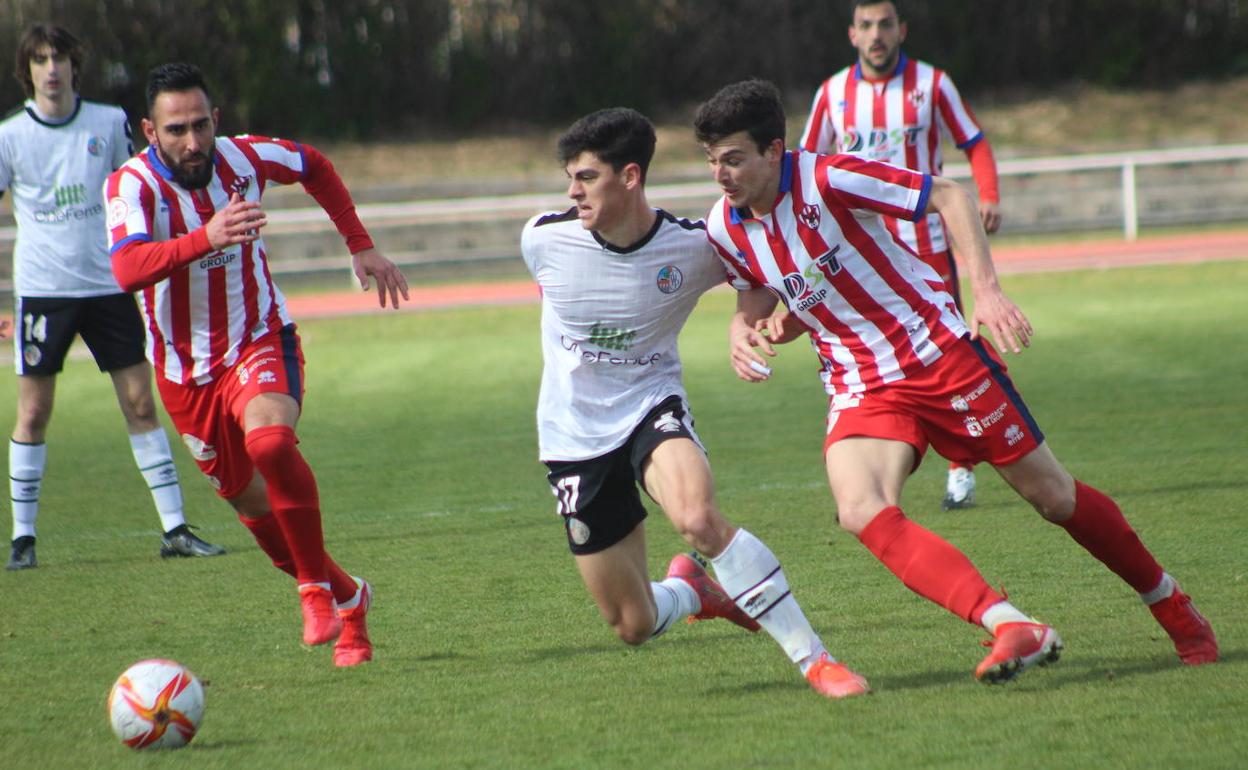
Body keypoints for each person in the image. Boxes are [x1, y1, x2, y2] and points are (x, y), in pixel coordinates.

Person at [692, 79, 1217, 683]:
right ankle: (1010, 624)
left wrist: (987, 291)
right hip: (860, 379)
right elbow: (756, 290)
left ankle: (1171, 604)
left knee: (1054, 498)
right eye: (712, 161)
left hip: (938, 354)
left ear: (774, 151)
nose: (720, 174)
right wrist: (745, 328)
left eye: (732, 159)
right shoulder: (725, 226)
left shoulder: (829, 178)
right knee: (860, 508)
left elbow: (949, 193)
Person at [520, 107, 869, 698]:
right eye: (570, 179)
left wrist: (743, 324)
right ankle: (692, 592)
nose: (571, 191)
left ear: (630, 177)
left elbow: (757, 277)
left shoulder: (694, 247)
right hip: (572, 435)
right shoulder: (543, 240)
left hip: (651, 405)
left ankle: (816, 661)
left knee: (698, 519)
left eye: (585, 177)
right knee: (632, 624)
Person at [104, 62, 409, 666]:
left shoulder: (244, 158)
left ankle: (314, 593)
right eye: (175, 130)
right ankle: (350, 598)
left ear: (216, 119)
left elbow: (314, 165)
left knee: (271, 443)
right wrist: (208, 237)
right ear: (149, 131)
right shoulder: (130, 187)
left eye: (200, 125)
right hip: (185, 375)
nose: (191, 142)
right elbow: (128, 268)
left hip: (258, 340)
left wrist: (360, 243)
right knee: (252, 507)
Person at [0, 24, 224, 570]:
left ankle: (174, 529)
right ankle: (23, 539)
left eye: (60, 58)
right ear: (27, 70)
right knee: (33, 411)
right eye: (40, 59)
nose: (51, 68)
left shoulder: (108, 123)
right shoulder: (9, 136)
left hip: (109, 286)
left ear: (76, 64)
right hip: (44, 290)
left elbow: (142, 187)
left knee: (141, 403)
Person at [799, 0, 1002, 510]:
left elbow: (974, 143)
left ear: (901, 29)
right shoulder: (832, 94)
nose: (876, 35)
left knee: (956, 352)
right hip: (860, 258)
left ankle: (962, 466)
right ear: (851, 34)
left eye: (885, 24)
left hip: (927, 248)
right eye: (866, 25)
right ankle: (876, 468)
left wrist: (989, 194)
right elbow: (801, 164)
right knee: (872, 358)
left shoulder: (933, 85)